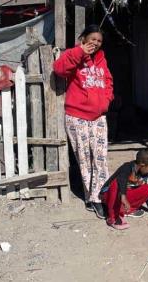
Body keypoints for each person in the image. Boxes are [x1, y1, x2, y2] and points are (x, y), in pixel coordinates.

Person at [53, 24, 113, 219]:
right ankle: (91, 198)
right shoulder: (74, 54)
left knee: (101, 157)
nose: (95, 43)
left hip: (98, 116)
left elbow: (108, 81)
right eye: (92, 39)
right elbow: (59, 70)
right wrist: (79, 52)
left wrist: (106, 99)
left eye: (99, 41)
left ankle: (99, 196)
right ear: (83, 39)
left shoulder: (102, 60)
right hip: (77, 115)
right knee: (85, 159)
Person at [100, 149, 148, 230]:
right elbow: (121, 179)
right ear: (142, 165)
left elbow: (142, 188)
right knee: (116, 182)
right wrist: (123, 196)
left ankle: (126, 210)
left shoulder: (143, 173)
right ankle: (113, 217)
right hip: (109, 196)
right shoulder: (127, 167)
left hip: (123, 198)